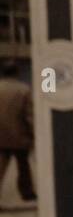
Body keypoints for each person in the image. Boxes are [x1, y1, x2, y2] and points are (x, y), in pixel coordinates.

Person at [0, 60, 37, 205]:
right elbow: (29, 115)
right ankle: (27, 193)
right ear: (16, 72)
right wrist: (35, 133)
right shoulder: (24, 90)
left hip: (1, 136)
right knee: (23, 165)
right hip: (19, 136)